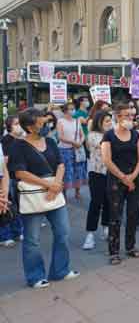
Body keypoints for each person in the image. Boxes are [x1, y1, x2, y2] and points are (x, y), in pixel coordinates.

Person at [10, 108, 79, 288]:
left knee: (63, 232)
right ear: (30, 127)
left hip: (54, 192)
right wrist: (49, 185)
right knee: (32, 239)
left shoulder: (50, 141)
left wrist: (56, 184)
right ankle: (35, 276)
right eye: (41, 123)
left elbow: (60, 164)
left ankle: (60, 270)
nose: (46, 125)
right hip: (35, 195)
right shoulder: (19, 145)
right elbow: (20, 172)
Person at [101, 103, 139, 265]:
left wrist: (132, 177)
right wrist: (124, 178)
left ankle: (130, 246)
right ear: (118, 117)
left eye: (132, 116)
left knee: (133, 213)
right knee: (115, 216)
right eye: (127, 115)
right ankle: (113, 251)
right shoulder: (109, 136)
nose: (130, 119)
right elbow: (107, 159)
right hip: (115, 180)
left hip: (135, 180)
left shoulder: (136, 134)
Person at [82, 111, 111, 250]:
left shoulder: (112, 134)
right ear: (99, 122)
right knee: (96, 202)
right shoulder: (93, 135)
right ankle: (90, 234)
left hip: (111, 172)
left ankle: (106, 227)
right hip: (96, 172)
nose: (109, 123)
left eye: (110, 120)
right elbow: (102, 145)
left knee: (109, 201)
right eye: (106, 121)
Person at [0, 116, 24, 247]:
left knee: (14, 206)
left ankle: (16, 231)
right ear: (9, 126)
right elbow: (4, 162)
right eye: (16, 124)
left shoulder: (20, 140)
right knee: (6, 206)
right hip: (8, 177)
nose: (19, 126)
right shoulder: (6, 141)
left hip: (14, 177)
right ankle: (5, 235)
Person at [57, 103, 87, 201]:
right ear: (65, 111)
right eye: (70, 109)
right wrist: (73, 142)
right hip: (64, 150)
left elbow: (82, 135)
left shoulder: (77, 121)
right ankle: (64, 193)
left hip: (77, 149)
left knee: (78, 170)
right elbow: (60, 137)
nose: (72, 111)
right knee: (66, 172)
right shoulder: (60, 121)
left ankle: (77, 191)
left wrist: (80, 142)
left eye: (73, 109)